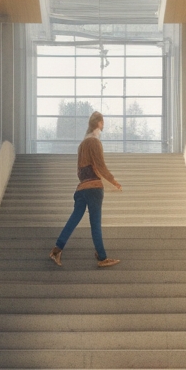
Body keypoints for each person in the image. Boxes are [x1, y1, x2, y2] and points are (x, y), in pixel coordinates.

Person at [50, 111, 123, 268]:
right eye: (102, 122)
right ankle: (101, 257)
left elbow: (78, 171)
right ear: (99, 123)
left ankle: (57, 249)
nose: (103, 125)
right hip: (94, 188)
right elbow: (101, 166)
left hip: (81, 188)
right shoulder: (95, 142)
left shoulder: (82, 144)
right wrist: (113, 181)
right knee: (95, 223)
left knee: (74, 219)